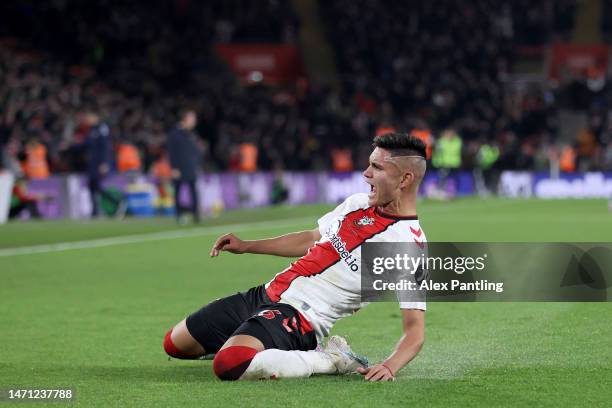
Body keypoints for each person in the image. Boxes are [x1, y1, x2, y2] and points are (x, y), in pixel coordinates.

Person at [163, 133, 428, 382]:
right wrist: (247, 246)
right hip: (266, 294)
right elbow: (311, 238)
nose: (365, 173)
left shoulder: (409, 245)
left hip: (302, 317)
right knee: (175, 344)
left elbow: (415, 331)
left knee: (230, 364)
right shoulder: (358, 203)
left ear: (404, 179)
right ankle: (255, 344)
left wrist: (389, 365)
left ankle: (331, 358)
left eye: (377, 168)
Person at [83, 108, 120, 217]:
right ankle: (95, 211)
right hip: (93, 163)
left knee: (96, 186)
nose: (87, 119)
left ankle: (116, 201)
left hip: (99, 163)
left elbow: (105, 147)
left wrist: (104, 163)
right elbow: (86, 145)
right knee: (93, 186)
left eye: (89, 117)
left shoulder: (102, 128)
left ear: (95, 117)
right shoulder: (92, 130)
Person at [167, 108, 202, 223]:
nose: (194, 121)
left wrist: (197, 165)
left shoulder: (192, 134)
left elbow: (194, 151)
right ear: (185, 119)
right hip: (179, 168)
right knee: (178, 191)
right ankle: (179, 215)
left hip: (191, 167)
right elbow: (171, 152)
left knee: (193, 191)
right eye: (192, 118)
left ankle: (196, 215)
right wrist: (174, 168)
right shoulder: (175, 134)